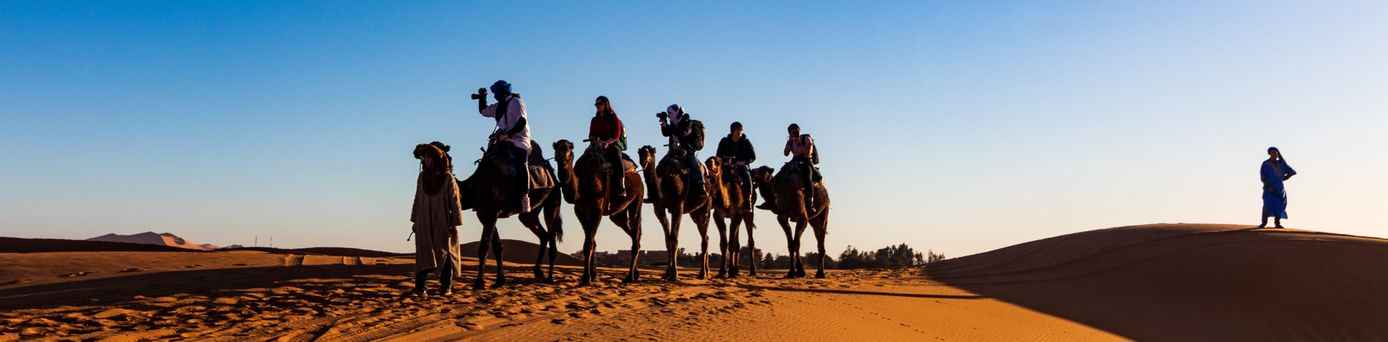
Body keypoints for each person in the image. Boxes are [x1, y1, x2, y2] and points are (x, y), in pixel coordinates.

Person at [410, 143, 463, 297]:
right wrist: (414, 220)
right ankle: (420, 288)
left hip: (443, 221)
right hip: (423, 221)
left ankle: (446, 287)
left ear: (436, 159)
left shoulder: (447, 178)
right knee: (423, 253)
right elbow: (417, 198)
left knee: (444, 253)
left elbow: (455, 202)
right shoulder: (422, 177)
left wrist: (454, 224)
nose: (427, 160)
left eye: (429, 157)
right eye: (425, 157)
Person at [474, 80, 532, 213]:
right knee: (487, 160)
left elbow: (521, 122)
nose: (495, 95)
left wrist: (508, 134)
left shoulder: (516, 103)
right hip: (502, 141)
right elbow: (483, 111)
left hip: (519, 140)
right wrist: (482, 97)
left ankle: (525, 197)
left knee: (522, 163)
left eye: (496, 92)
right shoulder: (498, 107)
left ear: (503, 92)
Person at [659, 104, 707, 201]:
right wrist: (664, 123)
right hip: (673, 151)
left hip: (687, 151)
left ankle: (701, 186)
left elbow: (683, 132)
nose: (669, 116)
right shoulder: (673, 123)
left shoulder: (687, 122)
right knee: (660, 166)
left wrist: (669, 126)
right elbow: (666, 133)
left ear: (677, 112)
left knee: (694, 165)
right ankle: (656, 190)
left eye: (670, 113)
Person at [589, 95, 628, 199]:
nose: (597, 106)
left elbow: (616, 134)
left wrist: (606, 142)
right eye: (596, 104)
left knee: (616, 156)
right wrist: (594, 140)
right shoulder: (594, 120)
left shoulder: (613, 118)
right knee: (585, 158)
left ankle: (621, 186)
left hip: (611, 143)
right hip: (597, 144)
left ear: (606, 104)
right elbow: (591, 134)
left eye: (600, 104)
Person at [772, 123, 819, 209]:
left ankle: (810, 201)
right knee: (777, 177)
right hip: (794, 161)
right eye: (791, 132)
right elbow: (786, 153)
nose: (794, 133)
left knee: (807, 178)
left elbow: (808, 153)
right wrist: (790, 141)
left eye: (795, 131)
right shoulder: (791, 141)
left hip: (806, 161)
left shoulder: (806, 139)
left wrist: (799, 142)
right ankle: (773, 199)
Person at [716, 121, 757, 210]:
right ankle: (713, 197)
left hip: (741, 165)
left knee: (746, 174)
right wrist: (724, 161)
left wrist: (744, 161)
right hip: (726, 165)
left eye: (741, 130)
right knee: (715, 176)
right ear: (732, 131)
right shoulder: (724, 141)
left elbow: (753, 156)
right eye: (738, 130)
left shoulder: (746, 142)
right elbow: (718, 156)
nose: (740, 132)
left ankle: (748, 199)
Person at [1259, 146, 1297, 228]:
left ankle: (1277, 223)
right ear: (1269, 154)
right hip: (1268, 188)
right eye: (1272, 153)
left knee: (1279, 205)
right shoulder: (1266, 164)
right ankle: (1263, 223)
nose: (1274, 154)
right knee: (1267, 204)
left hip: (1279, 188)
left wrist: (1283, 178)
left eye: (1276, 153)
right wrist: (1268, 186)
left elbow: (1292, 172)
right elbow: (1263, 177)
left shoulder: (1281, 163)